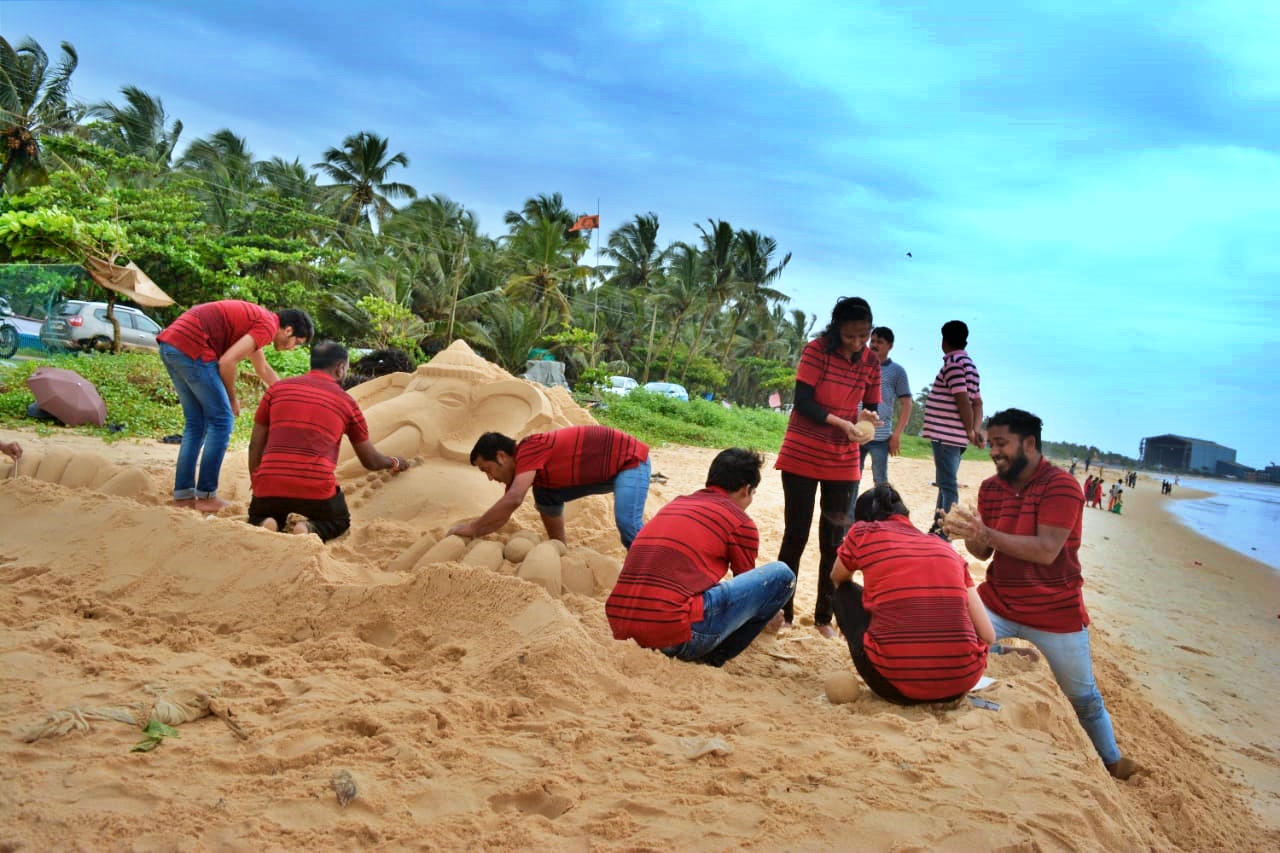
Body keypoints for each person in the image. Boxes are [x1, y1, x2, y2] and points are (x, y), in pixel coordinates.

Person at [943, 408, 1141, 780]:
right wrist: (968, 532)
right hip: (999, 600)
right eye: (991, 444)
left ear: (1029, 443)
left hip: (1056, 611)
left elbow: (1047, 550)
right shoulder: (990, 488)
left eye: (1001, 443)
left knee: (1083, 696)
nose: (994, 451)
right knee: (952, 639)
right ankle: (991, 658)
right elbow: (983, 554)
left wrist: (986, 534)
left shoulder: (1062, 487)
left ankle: (1111, 760)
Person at [606, 448, 794, 666]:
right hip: (672, 635)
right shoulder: (740, 522)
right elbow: (750, 586)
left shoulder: (675, 504)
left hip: (621, 627)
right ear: (746, 490)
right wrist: (769, 616)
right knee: (782, 575)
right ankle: (713, 658)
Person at [773, 296, 881, 638]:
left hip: (843, 457)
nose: (856, 342)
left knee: (834, 542)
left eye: (863, 335)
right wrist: (840, 422)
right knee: (796, 534)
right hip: (802, 451)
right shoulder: (816, 351)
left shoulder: (870, 362)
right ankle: (783, 611)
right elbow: (802, 402)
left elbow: (872, 406)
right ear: (836, 330)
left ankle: (824, 616)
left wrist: (867, 421)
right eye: (849, 335)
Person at [830, 482, 995, 704]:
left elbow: (837, 577)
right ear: (905, 515)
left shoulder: (863, 533)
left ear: (863, 521)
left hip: (894, 686)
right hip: (961, 682)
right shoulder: (946, 549)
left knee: (845, 593)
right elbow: (988, 635)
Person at [157, 299, 313, 513]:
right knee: (222, 421)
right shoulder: (267, 325)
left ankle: (183, 495)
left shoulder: (260, 321)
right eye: (297, 342)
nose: (293, 348)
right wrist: (232, 398)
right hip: (192, 346)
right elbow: (227, 362)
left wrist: (288, 396)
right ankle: (206, 495)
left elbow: (263, 369)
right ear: (288, 330)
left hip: (171, 344)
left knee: (196, 423)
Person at [247, 341, 409, 540]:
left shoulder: (276, 390)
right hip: (316, 490)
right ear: (340, 368)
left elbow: (255, 444)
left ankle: (267, 522)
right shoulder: (346, 402)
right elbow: (370, 461)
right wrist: (395, 462)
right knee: (339, 521)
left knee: (260, 514)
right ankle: (309, 529)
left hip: (270, 485)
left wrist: (257, 481)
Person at [448, 425, 650, 547]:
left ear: (501, 456)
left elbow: (515, 499)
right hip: (602, 473)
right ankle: (559, 546)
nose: (490, 478)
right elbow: (503, 514)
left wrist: (473, 527)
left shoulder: (529, 448)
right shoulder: (524, 472)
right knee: (544, 492)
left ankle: (655, 568)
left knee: (627, 524)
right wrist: (474, 532)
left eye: (487, 469)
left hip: (631, 462)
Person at [921, 320, 983, 537]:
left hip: (945, 434)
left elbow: (962, 399)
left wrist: (969, 430)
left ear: (944, 341)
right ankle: (938, 526)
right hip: (955, 438)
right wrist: (974, 431)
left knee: (948, 486)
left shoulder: (954, 364)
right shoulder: (971, 366)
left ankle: (945, 532)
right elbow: (978, 403)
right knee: (945, 483)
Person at [851, 326, 912, 501]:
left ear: (890, 346)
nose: (875, 345)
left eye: (880, 342)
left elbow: (906, 403)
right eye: (873, 341)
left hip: (881, 437)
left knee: (880, 482)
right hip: (857, 432)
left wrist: (897, 435)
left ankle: (880, 517)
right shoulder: (858, 364)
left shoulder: (897, 372)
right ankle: (850, 520)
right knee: (852, 478)